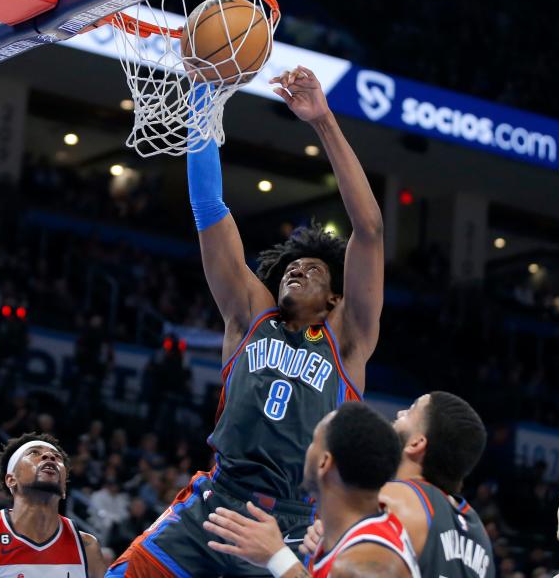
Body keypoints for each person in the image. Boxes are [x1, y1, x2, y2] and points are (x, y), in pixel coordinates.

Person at [107, 66, 384, 576]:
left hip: (295, 522)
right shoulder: (252, 317)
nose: (297, 269)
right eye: (290, 268)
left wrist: (323, 121)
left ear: (335, 298)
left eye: (314, 269)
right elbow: (208, 205)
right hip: (216, 500)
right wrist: (203, 99)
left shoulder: (348, 341)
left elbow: (367, 230)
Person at [201, 402, 418, 577]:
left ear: (324, 462)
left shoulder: (369, 565)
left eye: (312, 441)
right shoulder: (355, 534)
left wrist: (277, 557)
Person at [304, 392, 495, 577]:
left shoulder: (392, 499)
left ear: (416, 443)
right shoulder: (480, 534)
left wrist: (283, 558)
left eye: (410, 410)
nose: (399, 413)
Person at [0, 432, 107, 577]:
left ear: (64, 486)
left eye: (57, 457)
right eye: (34, 453)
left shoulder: (87, 548)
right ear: (11, 480)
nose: (50, 457)